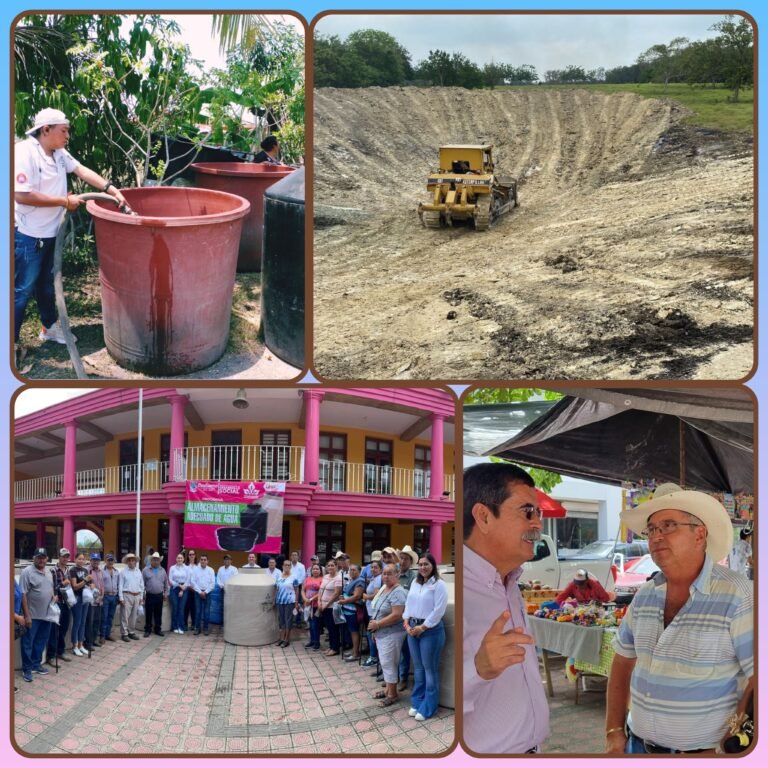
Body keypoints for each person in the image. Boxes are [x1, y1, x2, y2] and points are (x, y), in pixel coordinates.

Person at [606, 483, 753, 755]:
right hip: (636, 747)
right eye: (652, 529)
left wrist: (736, 737)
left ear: (700, 535)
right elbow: (623, 661)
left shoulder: (737, 593)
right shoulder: (645, 595)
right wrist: (614, 731)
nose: (657, 536)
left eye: (669, 525)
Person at [14, 108, 129, 348]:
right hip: (28, 235)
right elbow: (21, 195)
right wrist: (64, 201)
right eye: (63, 131)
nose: (67, 136)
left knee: (45, 283)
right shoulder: (24, 153)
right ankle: (9, 343)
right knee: (22, 289)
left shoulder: (58, 153)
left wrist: (111, 189)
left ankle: (49, 327)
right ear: (46, 130)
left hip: (50, 232)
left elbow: (81, 170)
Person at [463, 463, 550, 754]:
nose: (537, 524)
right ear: (484, 517)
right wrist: (478, 670)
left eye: (539, 513)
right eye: (527, 512)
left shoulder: (510, 582)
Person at [403, 552, 448, 722]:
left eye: (426, 564)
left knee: (430, 669)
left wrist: (422, 627)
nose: (422, 567)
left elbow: (438, 611)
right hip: (412, 628)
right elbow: (409, 604)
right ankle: (417, 701)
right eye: (420, 564)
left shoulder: (439, 585)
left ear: (433, 566)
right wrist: (407, 623)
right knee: (419, 669)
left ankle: (429, 705)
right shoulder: (415, 582)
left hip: (430, 631)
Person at [368, 564, 407, 708]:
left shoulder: (398, 592)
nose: (385, 576)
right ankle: (387, 689)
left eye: (389, 573)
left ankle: (392, 694)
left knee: (389, 662)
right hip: (382, 632)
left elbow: (397, 615)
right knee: (385, 661)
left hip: (392, 632)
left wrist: (377, 625)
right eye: (384, 573)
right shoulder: (385, 588)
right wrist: (375, 630)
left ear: (397, 575)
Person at [19, 548, 55, 683]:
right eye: (39, 557)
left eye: (44, 557)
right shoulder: (27, 572)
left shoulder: (49, 571)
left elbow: (50, 588)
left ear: (47, 558)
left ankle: (36, 664)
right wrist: (27, 615)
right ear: (34, 557)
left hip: (47, 614)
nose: (41, 560)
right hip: (32, 615)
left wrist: (53, 597)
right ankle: (27, 669)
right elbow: (23, 594)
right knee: (28, 642)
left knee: (41, 641)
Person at [397, 545, 418, 691]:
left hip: (405, 617)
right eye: (401, 558)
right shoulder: (395, 574)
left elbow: (411, 598)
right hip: (392, 617)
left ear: (410, 562)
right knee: (393, 650)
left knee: (404, 650)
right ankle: (393, 677)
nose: (402, 561)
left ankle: (403, 678)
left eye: (405, 559)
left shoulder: (413, 577)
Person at [47, 547, 72, 663]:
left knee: (64, 628)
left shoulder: (68, 570)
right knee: (54, 630)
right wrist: (63, 583)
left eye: (67, 556)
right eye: (63, 556)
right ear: (59, 557)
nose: (65, 558)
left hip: (67, 602)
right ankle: (51, 655)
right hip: (57, 603)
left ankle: (60, 651)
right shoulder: (53, 570)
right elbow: (50, 588)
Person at [338, 563, 365, 662]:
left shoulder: (360, 581)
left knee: (354, 631)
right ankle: (354, 650)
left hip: (353, 610)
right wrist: (343, 597)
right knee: (351, 631)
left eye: (354, 570)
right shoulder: (351, 581)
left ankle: (355, 653)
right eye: (350, 570)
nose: (352, 572)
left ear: (359, 571)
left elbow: (357, 596)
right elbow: (348, 593)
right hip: (347, 609)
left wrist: (344, 601)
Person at [69, 552, 92, 657]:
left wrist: (91, 584)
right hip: (77, 598)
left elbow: (88, 583)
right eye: (79, 559)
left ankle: (81, 644)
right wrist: (85, 580)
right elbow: (75, 586)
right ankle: (74, 646)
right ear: (75, 559)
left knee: (83, 622)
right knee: (77, 622)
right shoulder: (73, 570)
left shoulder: (85, 570)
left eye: (83, 559)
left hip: (85, 598)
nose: (81, 561)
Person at [318, 559, 343, 656]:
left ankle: (335, 648)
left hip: (331, 606)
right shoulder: (325, 576)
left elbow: (336, 594)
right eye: (329, 565)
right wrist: (319, 601)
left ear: (336, 566)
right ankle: (331, 646)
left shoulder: (338, 578)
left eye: (332, 565)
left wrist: (326, 605)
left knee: (333, 628)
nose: (330, 567)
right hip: (323, 606)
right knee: (328, 627)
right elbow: (320, 590)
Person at [118, 552, 145, 641]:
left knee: (134, 615)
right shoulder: (123, 572)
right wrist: (121, 598)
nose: (131, 562)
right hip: (127, 595)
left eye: (133, 560)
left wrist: (141, 597)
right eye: (129, 560)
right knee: (125, 615)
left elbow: (141, 585)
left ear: (135, 562)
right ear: (127, 562)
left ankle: (131, 631)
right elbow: (120, 585)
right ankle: (124, 633)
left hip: (137, 595)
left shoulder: (138, 571)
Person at [361, 560, 383, 668]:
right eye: (372, 567)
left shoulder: (378, 579)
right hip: (369, 610)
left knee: (371, 634)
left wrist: (366, 597)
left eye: (375, 567)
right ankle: (373, 656)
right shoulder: (374, 578)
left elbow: (376, 595)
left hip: (373, 611)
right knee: (370, 634)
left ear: (380, 569)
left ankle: (374, 657)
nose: (373, 569)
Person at [142, 552, 168, 637]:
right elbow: (142, 584)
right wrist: (143, 594)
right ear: (151, 560)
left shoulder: (162, 570)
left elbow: (166, 584)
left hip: (159, 595)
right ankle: (147, 630)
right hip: (149, 595)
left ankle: (158, 629)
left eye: (157, 560)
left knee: (158, 613)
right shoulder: (145, 570)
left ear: (159, 561)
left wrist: (165, 593)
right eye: (154, 560)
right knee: (148, 613)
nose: (156, 561)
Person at [274, 561, 298, 647]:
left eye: (289, 565)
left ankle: (286, 639)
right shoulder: (279, 577)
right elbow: (277, 589)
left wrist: (296, 602)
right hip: (280, 602)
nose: (287, 566)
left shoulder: (294, 577)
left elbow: (296, 590)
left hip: (290, 602)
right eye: (285, 565)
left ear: (290, 567)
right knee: (281, 620)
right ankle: (281, 638)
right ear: (282, 566)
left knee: (288, 620)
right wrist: (275, 600)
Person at [190, 554, 215, 635]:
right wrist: (200, 592)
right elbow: (193, 581)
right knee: (198, 611)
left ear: (207, 561)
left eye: (205, 560)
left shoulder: (211, 570)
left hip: (208, 593)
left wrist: (205, 592)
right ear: (199, 561)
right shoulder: (195, 570)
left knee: (207, 611)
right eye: (201, 559)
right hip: (198, 593)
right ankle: (197, 628)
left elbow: (213, 583)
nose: (203, 561)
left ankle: (205, 628)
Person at [301, 563, 324, 651]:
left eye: (317, 569)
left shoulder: (322, 579)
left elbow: (321, 592)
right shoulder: (307, 579)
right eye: (313, 569)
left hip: (316, 605)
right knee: (310, 624)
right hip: (307, 605)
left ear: (320, 571)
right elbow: (303, 590)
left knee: (315, 624)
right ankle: (312, 640)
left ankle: (317, 642)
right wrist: (305, 599)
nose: (315, 570)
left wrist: (311, 599)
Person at [100, 553, 120, 642]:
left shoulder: (116, 571)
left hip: (114, 596)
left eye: (112, 560)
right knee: (104, 616)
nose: (110, 562)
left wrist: (118, 596)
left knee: (111, 616)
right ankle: (102, 635)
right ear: (105, 561)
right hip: (106, 596)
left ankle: (108, 634)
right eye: (109, 560)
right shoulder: (102, 571)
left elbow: (119, 584)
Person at [86, 553, 104, 649]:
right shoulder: (87, 570)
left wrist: (102, 595)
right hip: (91, 601)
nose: (96, 562)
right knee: (90, 622)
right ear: (90, 560)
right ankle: (88, 643)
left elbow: (102, 585)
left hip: (99, 600)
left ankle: (93, 640)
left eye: (97, 560)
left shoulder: (101, 571)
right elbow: (86, 584)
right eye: (94, 560)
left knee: (97, 621)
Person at [168, 553, 190, 634]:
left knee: (181, 608)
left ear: (183, 559)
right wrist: (178, 586)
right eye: (178, 558)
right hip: (174, 589)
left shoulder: (187, 568)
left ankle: (181, 627)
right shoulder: (172, 568)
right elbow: (170, 579)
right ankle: (174, 626)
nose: (179, 559)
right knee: (175, 607)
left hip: (184, 589)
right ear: (176, 559)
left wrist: (182, 589)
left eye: (181, 558)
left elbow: (188, 579)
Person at [217, 554, 238, 624]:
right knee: (223, 607)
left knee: (231, 606)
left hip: (231, 591)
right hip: (222, 590)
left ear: (231, 561)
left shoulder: (234, 569)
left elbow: (235, 580)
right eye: (226, 559)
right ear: (224, 561)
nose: (227, 561)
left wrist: (228, 587)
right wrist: (222, 586)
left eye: (228, 559)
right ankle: (223, 623)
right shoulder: (220, 569)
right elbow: (218, 579)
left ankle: (231, 622)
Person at [184, 549, 198, 629]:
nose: (191, 556)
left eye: (193, 554)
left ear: (195, 556)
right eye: (190, 554)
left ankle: (193, 624)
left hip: (195, 590)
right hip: (187, 589)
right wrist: (188, 586)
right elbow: (184, 578)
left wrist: (195, 588)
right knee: (186, 607)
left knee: (194, 608)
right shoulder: (185, 567)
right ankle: (185, 624)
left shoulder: (197, 567)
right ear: (188, 556)